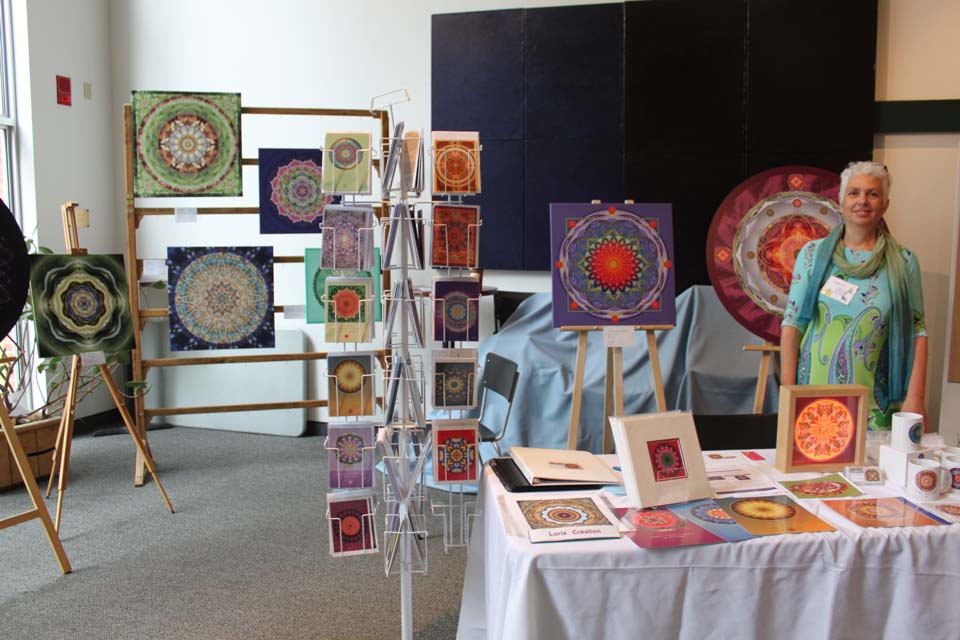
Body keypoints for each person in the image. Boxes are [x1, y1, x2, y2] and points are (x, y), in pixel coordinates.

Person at [780, 161, 927, 432]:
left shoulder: (904, 261)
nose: (863, 201)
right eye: (854, 193)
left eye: (873, 194)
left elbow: (918, 332)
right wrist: (788, 394)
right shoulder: (812, 255)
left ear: (885, 205)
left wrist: (916, 399)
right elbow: (792, 325)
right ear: (841, 201)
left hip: (877, 405)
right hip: (812, 401)